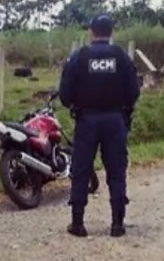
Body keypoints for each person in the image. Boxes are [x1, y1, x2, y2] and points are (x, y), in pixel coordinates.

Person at [57, 15, 140, 237]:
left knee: (81, 170)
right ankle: (117, 224)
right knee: (116, 170)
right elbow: (134, 91)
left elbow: (65, 93)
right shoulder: (121, 57)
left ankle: (77, 223)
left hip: (87, 121)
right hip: (115, 120)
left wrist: (76, 105)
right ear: (111, 32)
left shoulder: (79, 57)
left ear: (91, 32)